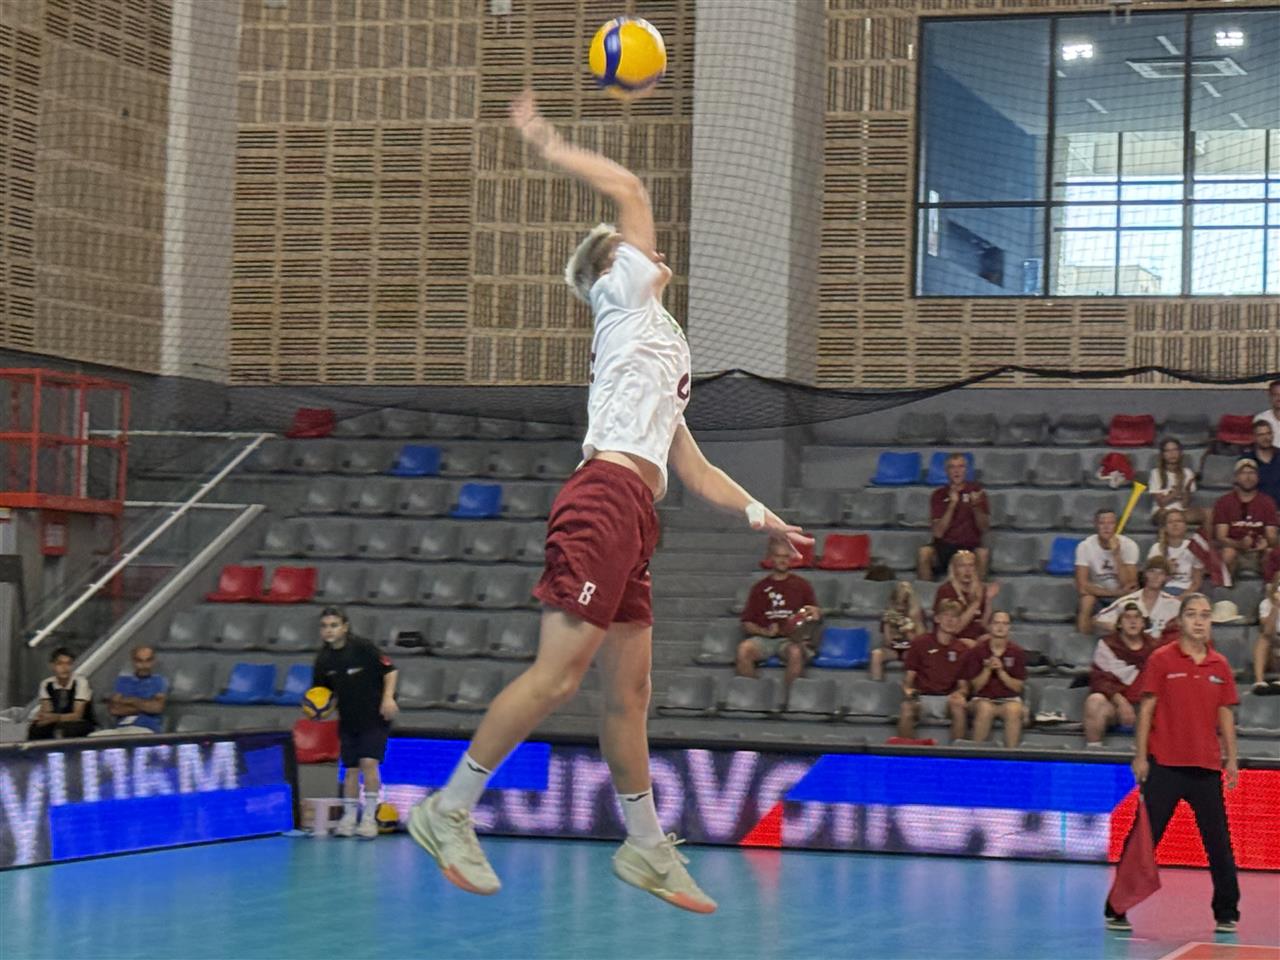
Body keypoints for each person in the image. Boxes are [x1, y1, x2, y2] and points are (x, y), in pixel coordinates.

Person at [408, 90, 810, 914]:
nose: (648, 246)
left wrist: (758, 514)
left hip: (636, 510)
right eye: (631, 245)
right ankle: (448, 809)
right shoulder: (622, 297)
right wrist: (545, 140)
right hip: (601, 500)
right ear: (610, 268)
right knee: (558, 678)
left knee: (630, 694)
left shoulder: (661, 345)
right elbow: (627, 186)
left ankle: (646, 846)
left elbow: (691, 463)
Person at [1105, 593, 1240, 934]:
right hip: (1164, 764)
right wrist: (1140, 756)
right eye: (1192, 614)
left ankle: (1227, 913)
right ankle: (1116, 907)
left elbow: (1225, 714)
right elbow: (1147, 709)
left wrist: (1232, 760)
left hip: (1206, 768)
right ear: (1180, 621)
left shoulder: (1220, 665)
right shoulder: (1161, 659)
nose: (1199, 621)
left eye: (1205, 615)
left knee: (1219, 843)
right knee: (1143, 840)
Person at [312, 606, 398, 839]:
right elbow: (321, 694)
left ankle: (369, 818)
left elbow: (390, 671)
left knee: (368, 763)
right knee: (350, 769)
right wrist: (319, 711)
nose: (329, 630)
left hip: (375, 716)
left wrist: (388, 698)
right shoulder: (323, 660)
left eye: (334, 625)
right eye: (324, 626)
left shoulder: (363, 648)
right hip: (348, 719)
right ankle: (349, 817)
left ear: (345, 627)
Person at [735, 541, 822, 695]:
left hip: (791, 639)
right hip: (765, 638)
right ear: (771, 558)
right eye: (778, 556)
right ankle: (754, 697)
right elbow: (747, 623)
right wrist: (765, 632)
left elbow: (814, 613)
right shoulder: (759, 588)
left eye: (786, 557)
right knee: (743, 649)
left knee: (795, 652)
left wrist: (814, 615)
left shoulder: (802, 585)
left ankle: (788, 699)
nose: (782, 560)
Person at [1083, 603, 1159, 746]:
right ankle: (1094, 750)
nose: (1132, 621)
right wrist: (1121, 702)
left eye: (1137, 617)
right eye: (1127, 618)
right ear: (1119, 624)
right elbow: (1100, 680)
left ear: (1143, 623)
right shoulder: (1107, 645)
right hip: (1116, 704)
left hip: (1146, 705)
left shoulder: (1155, 647)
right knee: (1095, 701)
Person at [952, 611, 1027, 747]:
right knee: (985, 708)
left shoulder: (1017, 652)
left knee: (1014, 709)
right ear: (990, 626)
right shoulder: (977, 651)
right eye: (997, 623)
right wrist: (987, 670)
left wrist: (1001, 671)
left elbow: (1017, 687)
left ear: (1009, 627)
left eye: (1005, 623)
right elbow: (975, 687)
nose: (1000, 627)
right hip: (982, 699)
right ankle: (976, 754)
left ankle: (1012, 755)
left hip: (1008, 700)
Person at [897, 600, 968, 742]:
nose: (950, 620)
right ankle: (907, 751)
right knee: (906, 708)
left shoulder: (962, 649)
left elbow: (964, 687)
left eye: (954, 617)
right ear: (937, 618)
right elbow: (908, 681)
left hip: (947, 700)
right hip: (922, 698)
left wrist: (959, 694)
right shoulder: (920, 643)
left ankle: (957, 751)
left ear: (959, 621)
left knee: (959, 706)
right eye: (946, 615)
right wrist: (908, 691)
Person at [917, 453, 990, 582]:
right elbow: (938, 533)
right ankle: (926, 591)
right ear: (946, 471)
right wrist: (952, 505)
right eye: (952, 467)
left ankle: (977, 593)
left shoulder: (977, 492)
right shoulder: (939, 494)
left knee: (983, 553)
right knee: (924, 552)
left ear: (966, 470)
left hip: (969, 547)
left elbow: (984, 528)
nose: (957, 471)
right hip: (944, 547)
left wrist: (976, 507)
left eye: (961, 467)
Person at [1074, 509, 1139, 634]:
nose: (1106, 527)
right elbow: (1082, 586)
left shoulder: (1129, 545)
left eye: (1110, 523)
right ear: (1095, 525)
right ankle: (1081, 641)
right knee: (1086, 600)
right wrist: (1113, 593)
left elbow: (1130, 585)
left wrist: (1116, 555)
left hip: (1122, 596)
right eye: (1102, 523)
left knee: (1130, 604)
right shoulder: (1085, 546)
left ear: (1116, 526)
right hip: (1098, 594)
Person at [1211, 459, 1279, 579]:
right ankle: (1225, 587)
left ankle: (1270, 588)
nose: (1248, 477)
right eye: (1243, 473)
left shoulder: (1267, 502)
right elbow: (1221, 537)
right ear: (1236, 478)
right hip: (1235, 549)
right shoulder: (1224, 502)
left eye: (1252, 473)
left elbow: (1272, 536)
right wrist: (1239, 544)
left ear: (1257, 477)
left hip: (1259, 552)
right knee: (1228, 553)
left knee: (1270, 553)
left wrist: (1266, 543)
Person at [1093, 557, 1180, 639]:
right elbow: (1097, 620)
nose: (1156, 576)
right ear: (1145, 574)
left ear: (1167, 578)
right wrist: (1120, 628)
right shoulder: (1127, 601)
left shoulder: (1174, 604)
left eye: (1161, 573)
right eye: (1152, 571)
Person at [28, 647, 94, 740]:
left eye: (68, 664)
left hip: (80, 722)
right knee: (36, 729)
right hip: (57, 721)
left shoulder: (80, 682)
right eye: (60, 664)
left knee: (65, 730)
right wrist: (43, 718)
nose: (65, 668)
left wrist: (54, 718)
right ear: (52, 666)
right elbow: (47, 711)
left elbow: (77, 715)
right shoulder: (47, 684)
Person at [932, 548, 996, 643]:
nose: (967, 570)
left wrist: (988, 600)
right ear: (954, 569)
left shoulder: (981, 589)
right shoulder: (946, 590)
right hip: (952, 639)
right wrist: (976, 603)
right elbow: (955, 628)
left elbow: (984, 625)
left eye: (971, 565)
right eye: (962, 566)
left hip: (977, 639)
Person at [102, 646, 167, 735]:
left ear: (153, 661)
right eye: (139, 661)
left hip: (146, 729)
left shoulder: (159, 681)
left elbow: (156, 708)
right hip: (120, 729)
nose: (144, 665)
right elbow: (114, 709)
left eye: (148, 660)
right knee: (92, 738)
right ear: (133, 661)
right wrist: (145, 706)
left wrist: (127, 701)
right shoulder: (122, 681)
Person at [871, 581, 926, 681]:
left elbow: (921, 642)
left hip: (910, 650)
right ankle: (876, 685)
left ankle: (910, 686)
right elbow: (887, 642)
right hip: (893, 650)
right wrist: (888, 625)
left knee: (916, 657)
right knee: (876, 654)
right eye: (897, 604)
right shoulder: (889, 615)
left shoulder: (917, 615)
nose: (900, 608)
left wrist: (907, 630)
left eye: (904, 603)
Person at [1147, 508, 1203, 596]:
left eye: (1179, 521)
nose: (1175, 524)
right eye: (1170, 522)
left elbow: (1196, 583)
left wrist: (1181, 598)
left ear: (1185, 526)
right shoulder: (1156, 548)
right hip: (1161, 591)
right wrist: (1167, 571)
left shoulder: (1194, 548)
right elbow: (1151, 581)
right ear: (1165, 528)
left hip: (1187, 591)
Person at [1146, 437, 1197, 523]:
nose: (1172, 454)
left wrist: (1187, 490)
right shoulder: (1156, 473)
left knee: (1207, 513)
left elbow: (1185, 505)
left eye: (1175, 450)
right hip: (1162, 511)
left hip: (1182, 511)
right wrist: (1177, 491)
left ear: (1180, 452)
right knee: (1171, 516)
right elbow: (1161, 503)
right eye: (1168, 451)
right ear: (1163, 455)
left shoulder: (1188, 472)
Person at [1252, 571, 1279, 694]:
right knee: (1263, 640)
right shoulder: (1265, 604)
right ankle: (1259, 682)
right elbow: (1267, 631)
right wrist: (1276, 607)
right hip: (1272, 651)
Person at [1244, 419, 1280, 507]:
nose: (1266, 438)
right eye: (1261, 435)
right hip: (1257, 510)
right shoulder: (1247, 460)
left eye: (1268, 433)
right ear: (1254, 437)